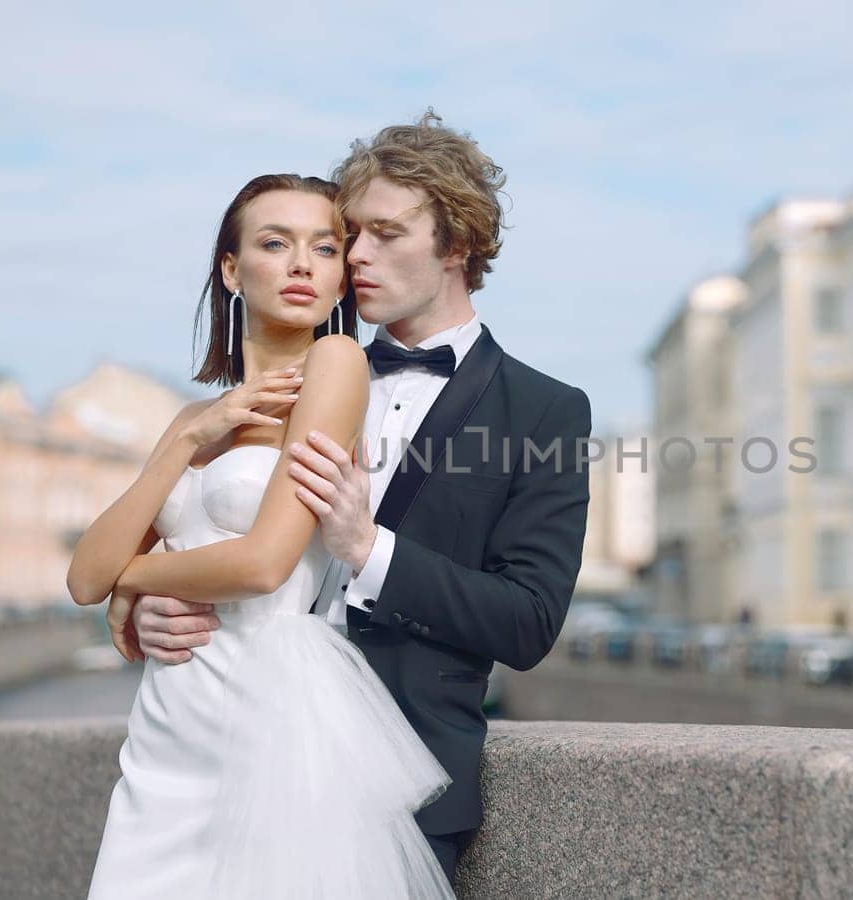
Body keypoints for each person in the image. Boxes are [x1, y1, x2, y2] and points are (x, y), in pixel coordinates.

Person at [122, 111, 594, 883]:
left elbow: (529, 620)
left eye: (386, 233)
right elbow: (196, 533)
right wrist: (148, 604)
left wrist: (369, 548)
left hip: (397, 781)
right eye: (351, 236)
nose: (355, 257)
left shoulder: (544, 411)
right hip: (218, 743)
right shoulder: (290, 382)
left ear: (459, 244)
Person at [68, 173, 455, 898]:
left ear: (343, 276)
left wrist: (135, 579)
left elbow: (264, 563)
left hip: (265, 708)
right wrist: (186, 442)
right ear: (231, 268)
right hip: (167, 727)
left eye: (325, 248)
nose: (303, 264)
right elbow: (83, 578)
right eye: (275, 244)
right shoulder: (196, 417)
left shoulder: (336, 366)